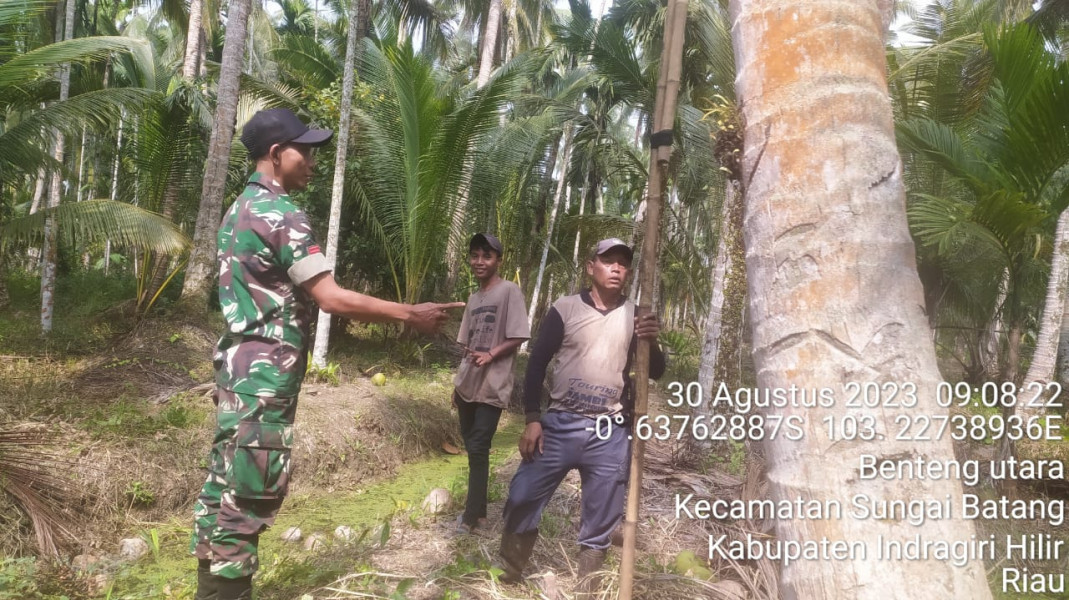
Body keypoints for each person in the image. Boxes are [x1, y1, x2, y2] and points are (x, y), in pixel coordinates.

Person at [189, 108, 464, 600]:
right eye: (305, 150)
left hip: (238, 373)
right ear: (276, 155)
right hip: (266, 378)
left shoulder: (240, 209)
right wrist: (409, 314)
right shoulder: (281, 214)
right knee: (248, 496)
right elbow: (330, 297)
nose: (313, 161)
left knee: (224, 487)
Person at [497, 238, 664, 590]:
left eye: (623, 263)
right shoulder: (566, 309)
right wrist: (532, 419)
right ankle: (510, 571)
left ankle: (587, 586)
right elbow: (537, 363)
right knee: (522, 494)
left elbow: (657, 370)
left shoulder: (635, 315)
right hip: (559, 423)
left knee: (601, 516)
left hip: (609, 430)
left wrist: (652, 339)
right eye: (608, 261)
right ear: (591, 267)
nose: (617, 268)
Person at [452, 233, 530, 534]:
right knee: (473, 447)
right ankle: (479, 513)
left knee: (479, 445)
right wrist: (456, 385)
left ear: (498, 260)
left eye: (486, 256)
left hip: (493, 384)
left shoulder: (509, 291)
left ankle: (473, 517)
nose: (479, 261)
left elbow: (520, 335)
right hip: (467, 384)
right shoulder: (473, 299)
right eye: (475, 255)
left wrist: (492, 354)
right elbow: (466, 346)